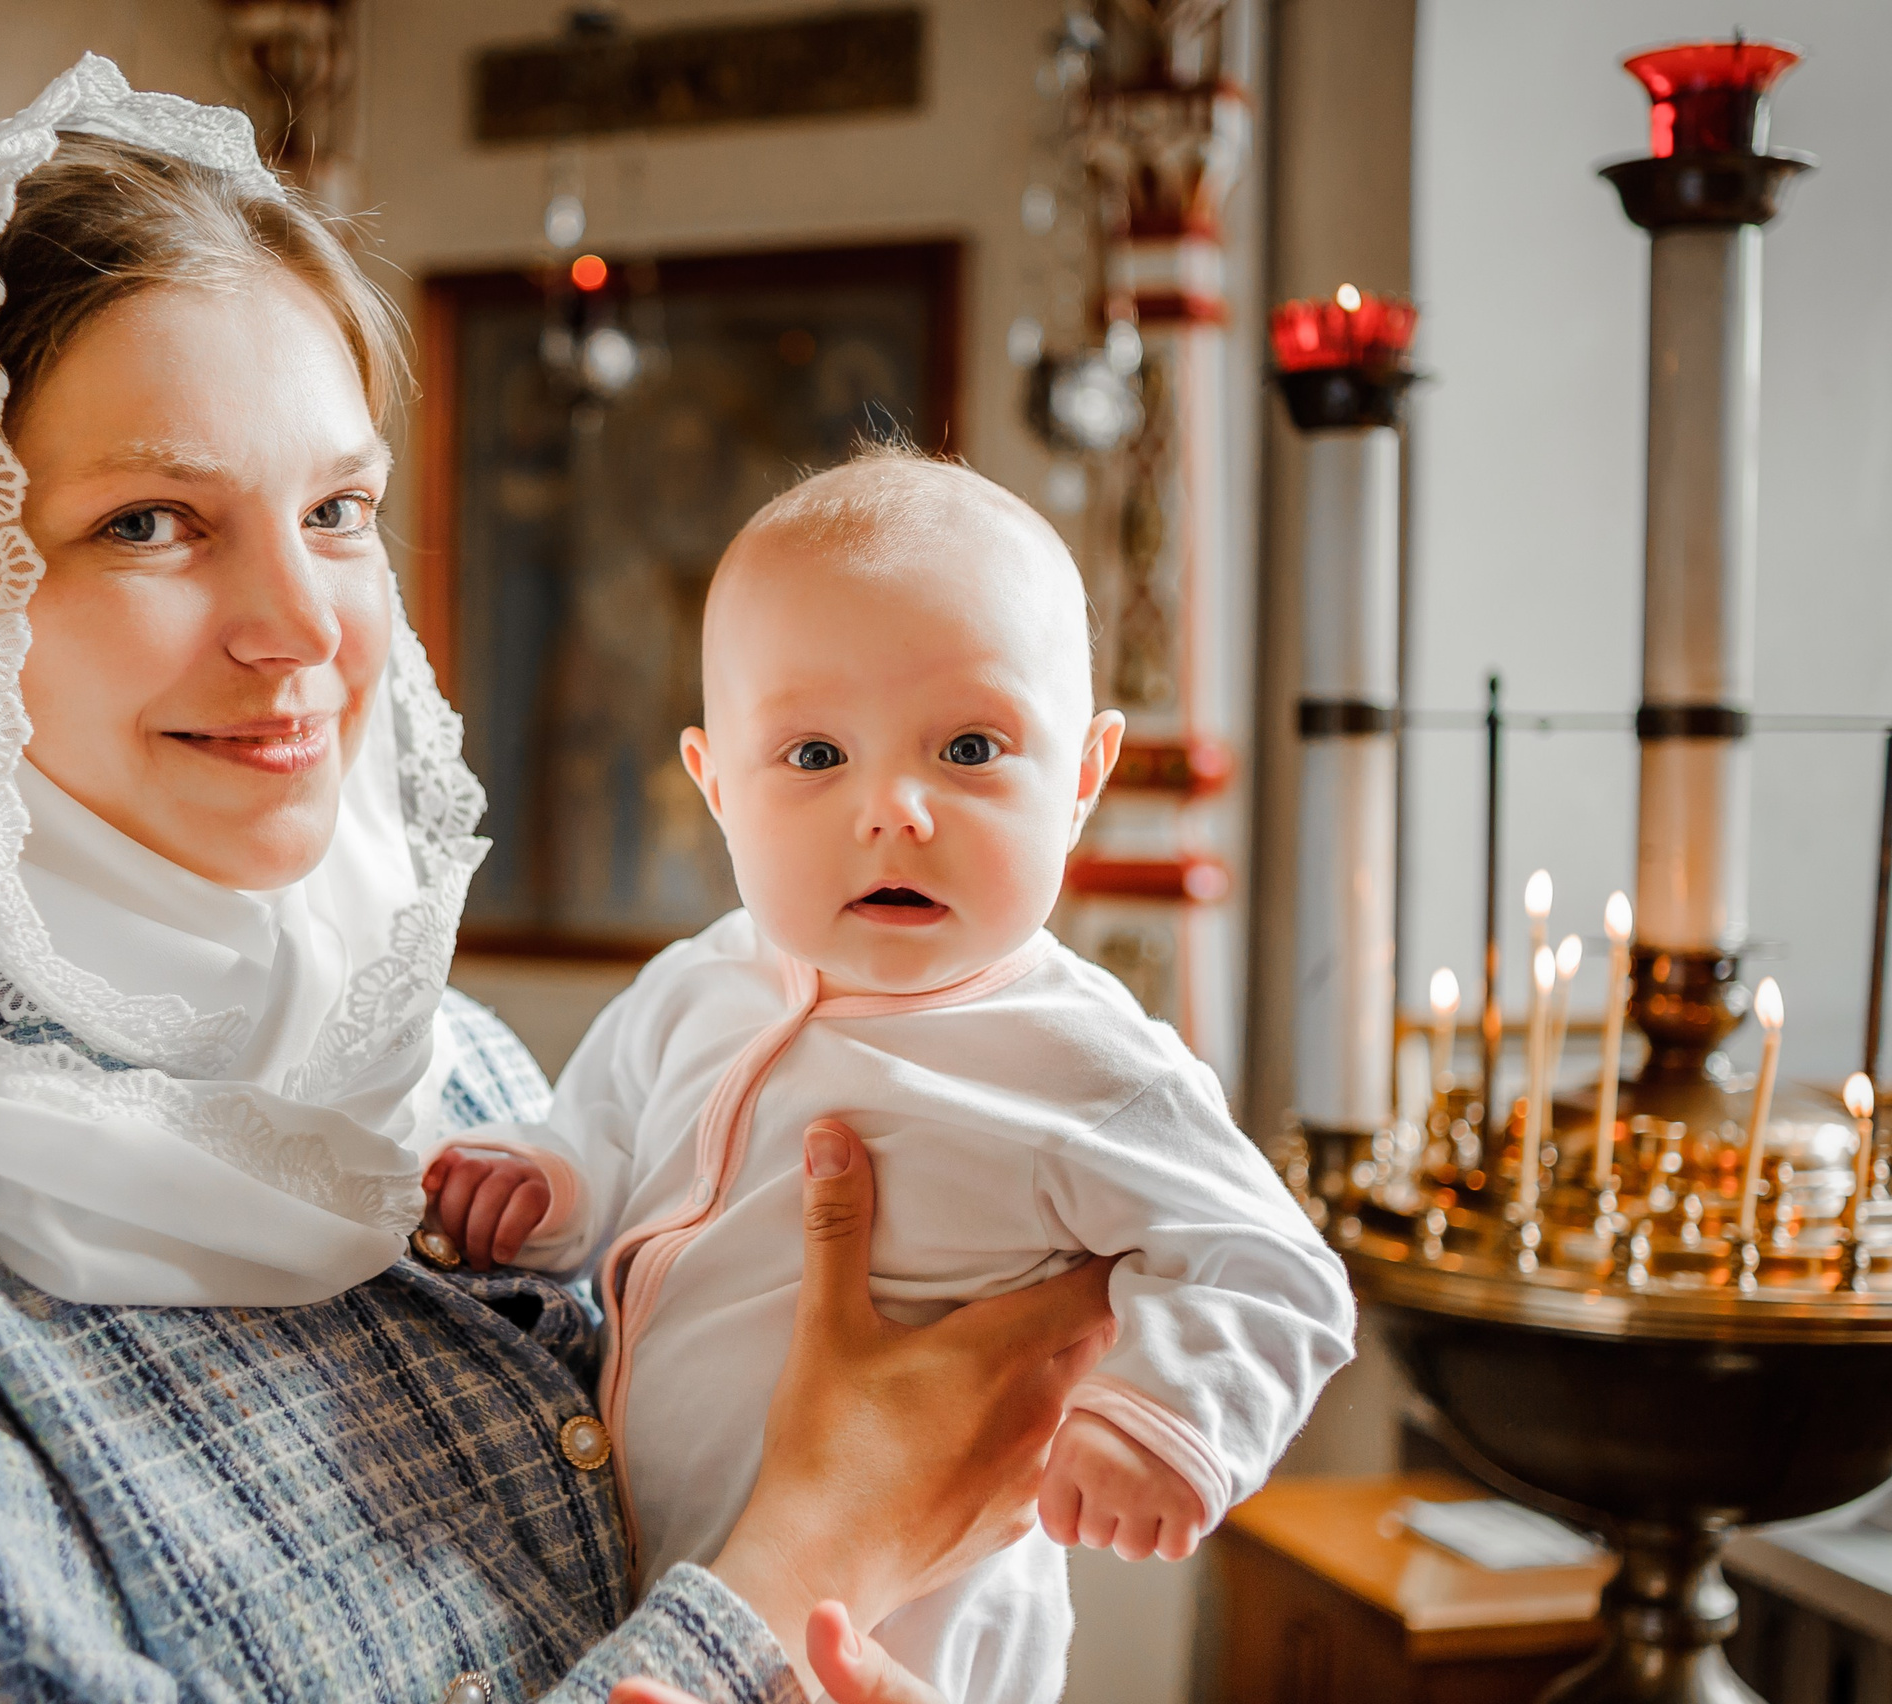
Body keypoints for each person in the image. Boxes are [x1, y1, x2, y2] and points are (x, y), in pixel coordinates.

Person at [0, 59, 1116, 1702]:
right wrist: (802, 1560)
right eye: (149, 522)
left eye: (338, 507)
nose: (306, 624)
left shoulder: (452, 1071)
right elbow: (782, 1547)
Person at [422, 450, 1358, 1701]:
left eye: (970, 746)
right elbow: (598, 1130)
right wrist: (543, 1185)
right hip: (648, 1583)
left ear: (1081, 778)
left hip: (912, 1637)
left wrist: (1164, 1418)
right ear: (716, 789)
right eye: (813, 757)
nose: (892, 810)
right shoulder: (698, 982)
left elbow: (1270, 1269)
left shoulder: (1081, 1059)